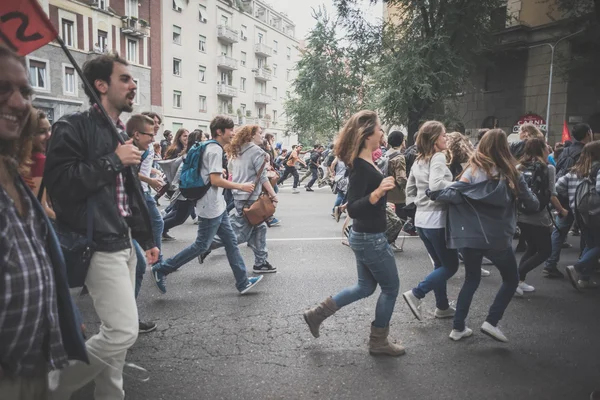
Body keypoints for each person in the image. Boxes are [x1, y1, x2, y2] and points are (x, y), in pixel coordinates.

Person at [44, 53, 159, 399]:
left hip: (123, 242)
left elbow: (128, 194)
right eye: (125, 79)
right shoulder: (72, 126)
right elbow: (61, 185)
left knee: (115, 333)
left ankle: (111, 395)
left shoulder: (120, 131)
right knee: (124, 332)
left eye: (134, 80)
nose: (134, 85)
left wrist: (145, 237)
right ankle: (54, 386)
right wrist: (113, 160)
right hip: (97, 243)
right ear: (101, 85)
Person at [0, 45, 87, 400]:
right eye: (3, 89)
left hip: (37, 365)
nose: (21, 103)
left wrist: (62, 315)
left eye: (25, 91)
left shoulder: (10, 172)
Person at [303, 110, 405, 357]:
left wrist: (382, 199)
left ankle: (317, 315)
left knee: (365, 287)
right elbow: (355, 206)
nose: (382, 132)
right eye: (379, 128)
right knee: (391, 288)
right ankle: (379, 341)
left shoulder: (366, 161)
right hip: (369, 237)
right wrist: (379, 193)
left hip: (364, 235)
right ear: (367, 133)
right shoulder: (360, 166)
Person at [429, 129, 538, 342]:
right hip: (497, 236)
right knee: (511, 278)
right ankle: (492, 321)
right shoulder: (512, 173)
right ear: (505, 147)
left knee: (471, 279)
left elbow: (453, 192)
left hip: (469, 236)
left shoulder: (471, 171)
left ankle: (458, 327)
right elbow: (532, 203)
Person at [151, 116, 263, 295]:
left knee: (231, 242)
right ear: (220, 131)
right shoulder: (214, 150)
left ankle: (242, 282)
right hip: (209, 205)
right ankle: (163, 269)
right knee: (201, 245)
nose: (233, 133)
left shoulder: (211, 147)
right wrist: (240, 186)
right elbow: (215, 180)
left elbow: (211, 175)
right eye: (230, 129)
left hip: (217, 204)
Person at [200, 125, 278, 273]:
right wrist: (273, 194)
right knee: (240, 235)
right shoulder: (256, 151)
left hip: (240, 195)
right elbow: (261, 177)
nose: (261, 136)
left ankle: (260, 262)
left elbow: (230, 170)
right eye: (259, 134)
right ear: (250, 136)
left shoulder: (237, 150)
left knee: (259, 228)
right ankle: (205, 245)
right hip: (249, 197)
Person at [403, 121, 458, 321]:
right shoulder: (438, 157)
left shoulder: (418, 160)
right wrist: (459, 185)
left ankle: (442, 307)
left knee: (439, 265)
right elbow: (436, 186)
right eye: (444, 135)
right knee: (451, 266)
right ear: (435, 139)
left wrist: (418, 202)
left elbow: (409, 188)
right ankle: (417, 293)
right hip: (437, 219)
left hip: (421, 219)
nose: (446, 138)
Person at [126, 113, 164, 333]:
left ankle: (128, 319)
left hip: (124, 223)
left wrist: (149, 243)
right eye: (150, 133)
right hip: (112, 229)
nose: (153, 137)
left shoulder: (134, 153)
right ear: (136, 134)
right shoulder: (127, 155)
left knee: (138, 265)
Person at [515, 138, 567, 296]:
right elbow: (551, 194)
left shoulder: (519, 167)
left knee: (532, 248)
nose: (548, 149)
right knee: (545, 251)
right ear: (541, 150)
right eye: (546, 147)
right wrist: (562, 210)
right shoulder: (548, 168)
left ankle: (519, 281)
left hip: (521, 215)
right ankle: (514, 279)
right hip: (538, 216)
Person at [544, 123, 594, 278]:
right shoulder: (587, 152)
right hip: (581, 198)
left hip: (563, 196)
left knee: (559, 232)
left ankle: (550, 264)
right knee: (587, 233)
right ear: (587, 133)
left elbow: (559, 173)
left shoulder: (565, 151)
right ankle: (583, 266)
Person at [557, 141, 600, 290]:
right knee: (597, 245)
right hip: (596, 213)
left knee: (590, 244)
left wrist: (570, 199)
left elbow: (558, 186)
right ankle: (578, 268)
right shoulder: (598, 169)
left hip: (579, 213)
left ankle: (584, 279)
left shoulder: (575, 170)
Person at [161, 131, 202, 238]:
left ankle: (159, 228)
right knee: (179, 217)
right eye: (184, 136)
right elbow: (177, 168)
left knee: (177, 214)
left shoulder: (190, 151)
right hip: (185, 188)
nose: (186, 138)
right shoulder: (185, 152)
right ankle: (157, 228)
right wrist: (175, 184)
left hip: (185, 188)